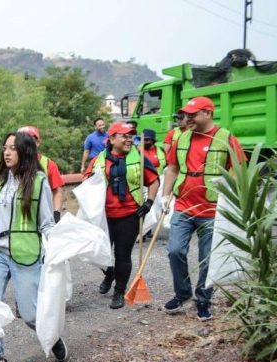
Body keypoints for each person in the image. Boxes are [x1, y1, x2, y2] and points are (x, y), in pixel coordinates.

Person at [0, 130, 63, 362]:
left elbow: (46, 222)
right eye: (5, 147)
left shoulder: (38, 181)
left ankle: (52, 336)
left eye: (12, 148)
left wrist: (56, 248)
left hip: (25, 254)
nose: (6, 152)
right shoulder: (1, 181)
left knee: (28, 315)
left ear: (25, 151)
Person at [161, 96, 245, 321]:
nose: (188, 118)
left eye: (193, 114)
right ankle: (182, 293)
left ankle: (203, 300)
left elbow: (239, 170)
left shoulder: (225, 138)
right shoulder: (182, 138)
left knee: (207, 258)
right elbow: (172, 168)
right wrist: (165, 195)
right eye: (186, 114)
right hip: (183, 206)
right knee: (175, 250)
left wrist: (234, 201)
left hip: (212, 209)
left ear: (208, 113)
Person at [84, 122, 159, 309]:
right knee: (99, 254)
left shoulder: (139, 157)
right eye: (124, 136)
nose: (128, 140)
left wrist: (149, 202)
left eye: (130, 136)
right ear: (111, 139)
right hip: (104, 216)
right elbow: (86, 183)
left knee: (122, 255)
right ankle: (109, 273)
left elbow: (153, 180)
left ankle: (119, 291)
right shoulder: (99, 160)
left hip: (129, 214)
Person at [18, 125, 66, 222]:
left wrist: (56, 213)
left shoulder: (48, 164)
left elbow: (58, 190)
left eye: (29, 140)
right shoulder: (11, 164)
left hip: (42, 218)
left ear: (38, 142)